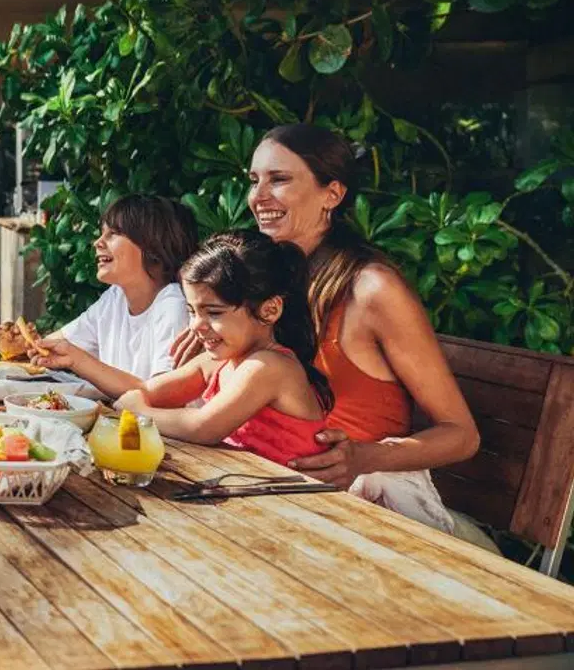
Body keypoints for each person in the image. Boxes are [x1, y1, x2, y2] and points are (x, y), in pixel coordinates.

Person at [168, 124, 482, 537]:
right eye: (253, 181)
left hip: (364, 502)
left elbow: (462, 436)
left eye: (278, 179)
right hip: (275, 486)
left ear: (332, 194)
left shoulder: (371, 287)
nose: (258, 197)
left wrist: (363, 457)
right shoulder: (260, 284)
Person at [114, 230, 332, 466]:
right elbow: (146, 391)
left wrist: (139, 412)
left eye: (214, 312)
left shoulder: (270, 366)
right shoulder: (218, 362)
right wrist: (134, 401)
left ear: (269, 310)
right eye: (191, 311)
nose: (196, 324)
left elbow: (203, 428)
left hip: (300, 499)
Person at [31, 194, 199, 398]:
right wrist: (27, 342)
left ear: (153, 247)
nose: (97, 243)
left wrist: (77, 360)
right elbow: (55, 345)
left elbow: (161, 397)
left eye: (113, 234)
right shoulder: (115, 297)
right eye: (102, 233)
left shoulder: (173, 306)